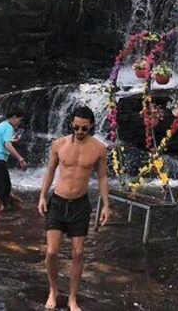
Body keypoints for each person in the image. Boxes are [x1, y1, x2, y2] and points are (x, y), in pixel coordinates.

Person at [38, 105, 111, 311]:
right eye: (76, 127)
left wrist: (106, 204)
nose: (79, 132)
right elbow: (51, 170)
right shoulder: (59, 144)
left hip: (80, 205)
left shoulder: (98, 148)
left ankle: (72, 298)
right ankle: (53, 290)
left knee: (78, 253)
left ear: (91, 126)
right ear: (72, 124)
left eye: (84, 129)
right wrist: (42, 196)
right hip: (58, 202)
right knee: (52, 252)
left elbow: (102, 176)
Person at [0, 107, 29, 221]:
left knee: (1, 185)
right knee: (4, 187)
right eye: (19, 119)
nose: (19, 122)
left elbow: (1, 141)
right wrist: (20, 159)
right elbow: (7, 145)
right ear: (13, 117)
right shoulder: (8, 127)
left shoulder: (1, 125)